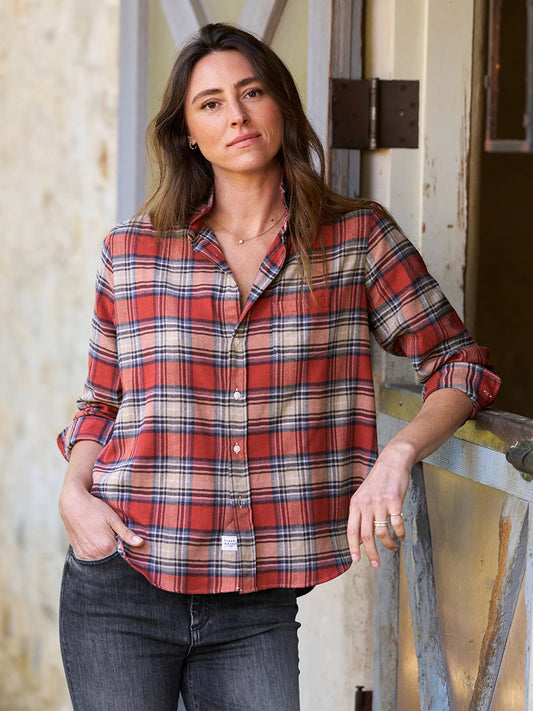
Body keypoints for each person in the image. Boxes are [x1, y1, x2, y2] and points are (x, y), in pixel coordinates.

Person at [57, 22, 500, 711]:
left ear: (280, 107)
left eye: (250, 92)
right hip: (123, 575)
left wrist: (397, 457)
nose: (235, 115)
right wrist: (73, 491)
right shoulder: (134, 251)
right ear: (187, 134)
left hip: (253, 600)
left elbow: (458, 363)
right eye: (209, 104)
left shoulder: (356, 240)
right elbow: (99, 402)